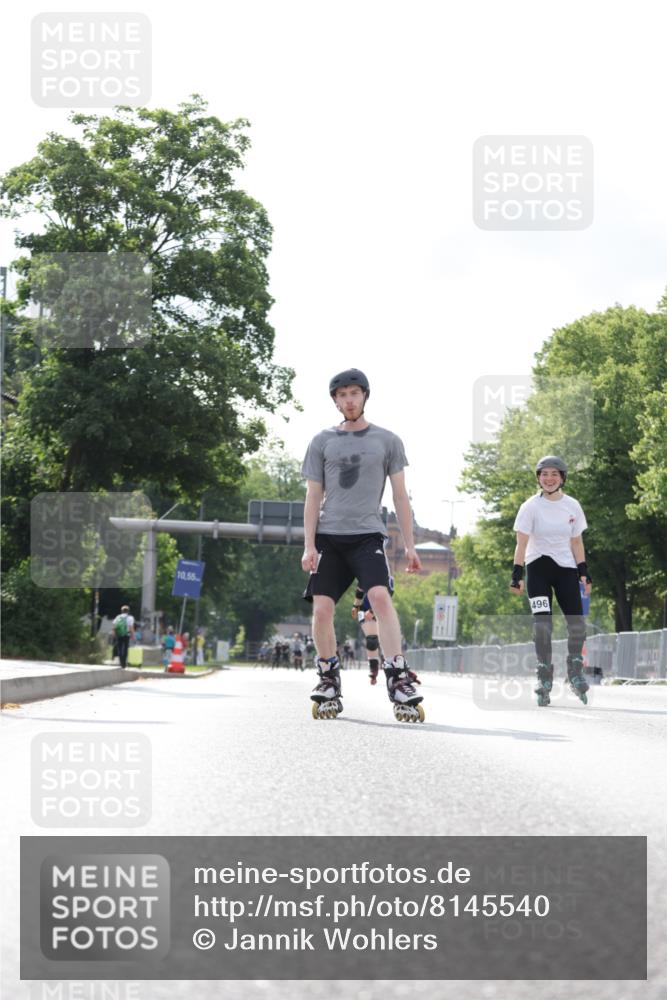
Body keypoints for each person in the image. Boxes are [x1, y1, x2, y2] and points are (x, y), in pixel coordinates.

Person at [301, 367, 424, 721]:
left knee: (381, 598)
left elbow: (400, 496)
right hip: (329, 538)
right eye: (341, 395)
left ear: (365, 396)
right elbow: (313, 496)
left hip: (367, 536)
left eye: (354, 393)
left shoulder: (387, 440)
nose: (348, 400)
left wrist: (411, 546)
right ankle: (327, 676)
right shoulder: (321, 441)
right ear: (335, 401)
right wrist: (309, 545)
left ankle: (398, 677)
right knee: (321, 609)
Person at [510, 455, 592, 706]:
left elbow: (576, 542)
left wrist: (584, 573)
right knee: (542, 623)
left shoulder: (572, 506)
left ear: (562, 478)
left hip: (566, 568)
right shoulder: (530, 507)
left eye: (554, 474)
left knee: (576, 623)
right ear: (538, 478)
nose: (549, 479)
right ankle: (544, 675)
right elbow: (521, 543)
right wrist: (517, 574)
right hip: (537, 568)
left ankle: (575, 669)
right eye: (544, 474)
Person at [352, 584, 422, 688]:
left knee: (389, 641)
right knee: (372, 639)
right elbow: (360, 589)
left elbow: (389, 592)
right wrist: (355, 606)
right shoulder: (363, 570)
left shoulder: (384, 571)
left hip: (380, 609)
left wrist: (373, 611)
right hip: (364, 609)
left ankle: (402, 670)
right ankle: (373, 668)